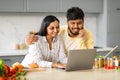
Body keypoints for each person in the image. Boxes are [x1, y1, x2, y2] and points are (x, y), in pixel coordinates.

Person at [26, 7, 94, 54]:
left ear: (83, 22)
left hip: (77, 66)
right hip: (57, 65)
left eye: (79, 23)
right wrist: (28, 41)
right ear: (67, 22)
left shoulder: (88, 34)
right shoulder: (59, 30)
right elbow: (41, 37)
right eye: (73, 23)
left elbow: (86, 57)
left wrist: (80, 38)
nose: (76, 26)